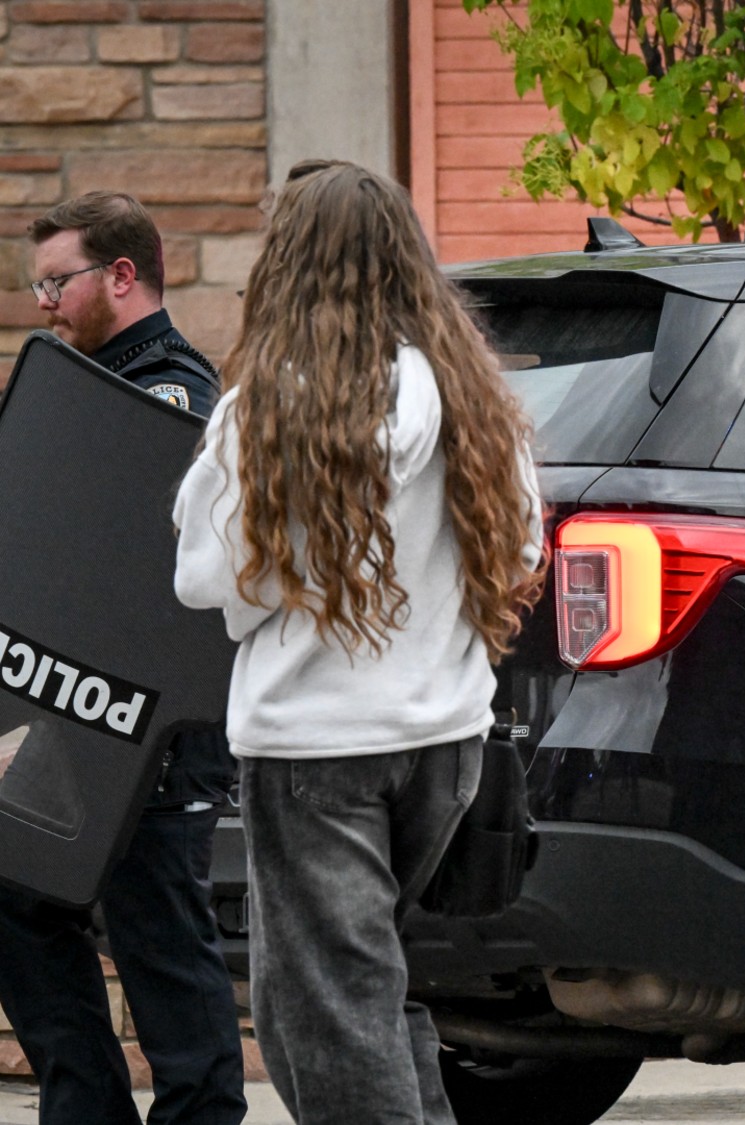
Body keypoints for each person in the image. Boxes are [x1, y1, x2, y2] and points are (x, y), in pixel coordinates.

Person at [171, 160, 543, 1125]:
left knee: (328, 1012)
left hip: (313, 744)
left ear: (288, 260)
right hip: (446, 738)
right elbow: (522, 550)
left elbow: (205, 576)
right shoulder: (473, 398)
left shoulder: (270, 407)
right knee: (366, 988)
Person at [0, 191, 245, 1125]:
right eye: (37, 283)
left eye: (57, 281)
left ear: (123, 275)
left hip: (156, 747)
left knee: (166, 969)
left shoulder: (178, 399)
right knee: (19, 909)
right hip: (71, 728)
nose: (42, 303)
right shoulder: (79, 396)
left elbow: (143, 579)